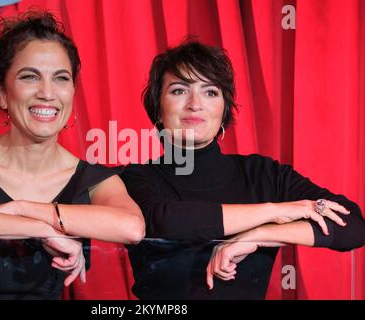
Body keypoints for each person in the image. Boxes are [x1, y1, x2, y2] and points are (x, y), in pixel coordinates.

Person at [0, 11, 144, 299]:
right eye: (29, 77)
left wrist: (20, 207)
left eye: (61, 78)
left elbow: (132, 227)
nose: (47, 93)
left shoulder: (93, 178)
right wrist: (38, 229)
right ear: (1, 92)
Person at [121, 41, 365, 300]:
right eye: (179, 90)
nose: (195, 104)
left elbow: (352, 226)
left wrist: (260, 235)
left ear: (225, 108)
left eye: (210, 92)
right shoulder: (135, 178)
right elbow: (166, 219)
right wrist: (273, 211)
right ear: (158, 109)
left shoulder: (262, 173)